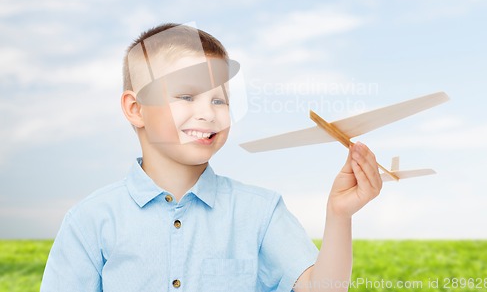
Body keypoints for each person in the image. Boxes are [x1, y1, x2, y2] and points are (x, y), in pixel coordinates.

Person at [40, 23, 383, 292]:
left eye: (219, 100)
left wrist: (339, 215)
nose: (207, 113)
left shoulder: (259, 212)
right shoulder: (90, 220)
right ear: (135, 108)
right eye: (187, 96)